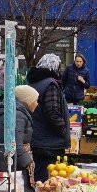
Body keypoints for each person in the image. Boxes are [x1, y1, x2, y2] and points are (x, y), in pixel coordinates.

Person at [27, 54, 70, 182]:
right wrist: (63, 131)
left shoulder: (33, 83)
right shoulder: (50, 84)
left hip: (36, 138)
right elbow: (52, 112)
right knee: (47, 180)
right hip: (49, 142)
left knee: (36, 176)